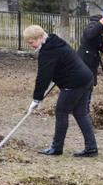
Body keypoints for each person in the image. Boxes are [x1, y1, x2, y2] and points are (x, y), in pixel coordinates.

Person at [24, 25, 98, 157]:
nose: (31, 46)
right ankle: (91, 148)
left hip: (74, 83)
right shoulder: (55, 42)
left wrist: (36, 98)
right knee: (80, 113)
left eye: (32, 42)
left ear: (40, 37)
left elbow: (43, 77)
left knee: (61, 112)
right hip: (86, 78)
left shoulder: (48, 51)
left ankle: (57, 147)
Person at [77, 10, 103, 87]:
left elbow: (99, 44)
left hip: (93, 58)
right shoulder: (94, 24)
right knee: (84, 81)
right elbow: (89, 34)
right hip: (85, 57)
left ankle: (87, 99)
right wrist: (100, 24)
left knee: (91, 83)